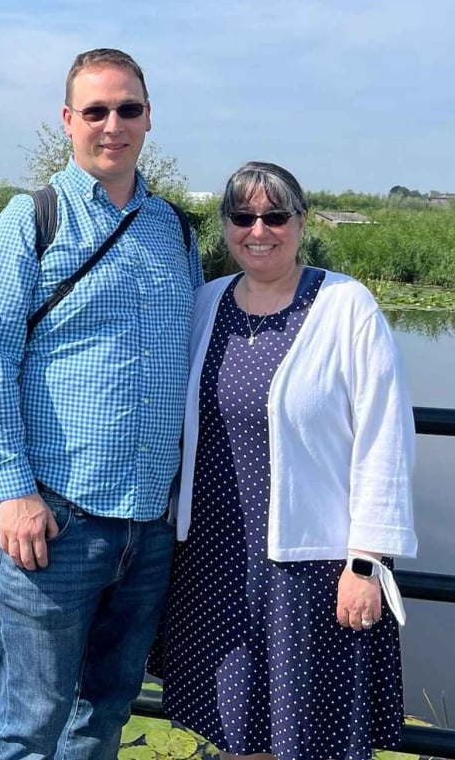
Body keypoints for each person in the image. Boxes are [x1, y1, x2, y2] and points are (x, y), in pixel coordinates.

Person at [0, 48, 204, 760]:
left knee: (105, 715)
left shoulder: (175, 232)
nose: (112, 124)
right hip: (58, 519)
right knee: (30, 723)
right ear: (67, 121)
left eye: (127, 108)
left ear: (148, 117)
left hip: (149, 528)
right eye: (95, 110)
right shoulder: (30, 221)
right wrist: (12, 492)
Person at [155, 161, 418, 760]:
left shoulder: (346, 306)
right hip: (213, 558)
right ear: (224, 227)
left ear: (301, 222)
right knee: (235, 731)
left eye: (275, 216)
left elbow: (386, 435)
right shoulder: (206, 303)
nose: (259, 229)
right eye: (243, 216)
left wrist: (368, 563)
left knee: (303, 736)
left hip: (309, 566)